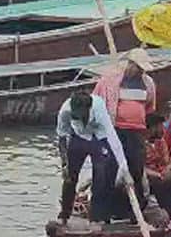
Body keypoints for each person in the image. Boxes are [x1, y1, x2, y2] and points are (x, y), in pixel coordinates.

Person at [94, 48, 157, 213]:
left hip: (136, 134)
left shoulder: (148, 83)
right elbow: (97, 102)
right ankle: (101, 214)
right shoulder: (110, 81)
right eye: (138, 67)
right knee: (108, 171)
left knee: (136, 171)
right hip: (115, 131)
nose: (140, 71)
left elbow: (150, 107)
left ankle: (136, 213)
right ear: (130, 65)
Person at [56, 90, 133, 226]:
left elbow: (113, 140)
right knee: (69, 178)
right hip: (77, 137)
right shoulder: (65, 111)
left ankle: (97, 218)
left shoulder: (99, 111)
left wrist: (124, 167)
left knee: (101, 174)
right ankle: (64, 215)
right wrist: (64, 164)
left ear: (89, 109)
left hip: (98, 137)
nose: (80, 118)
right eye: (76, 116)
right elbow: (62, 137)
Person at [143, 112, 169, 196]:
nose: (163, 129)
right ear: (151, 128)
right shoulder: (140, 144)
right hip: (149, 176)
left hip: (163, 174)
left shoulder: (161, 142)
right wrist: (157, 174)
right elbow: (140, 168)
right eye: (160, 126)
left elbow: (166, 161)